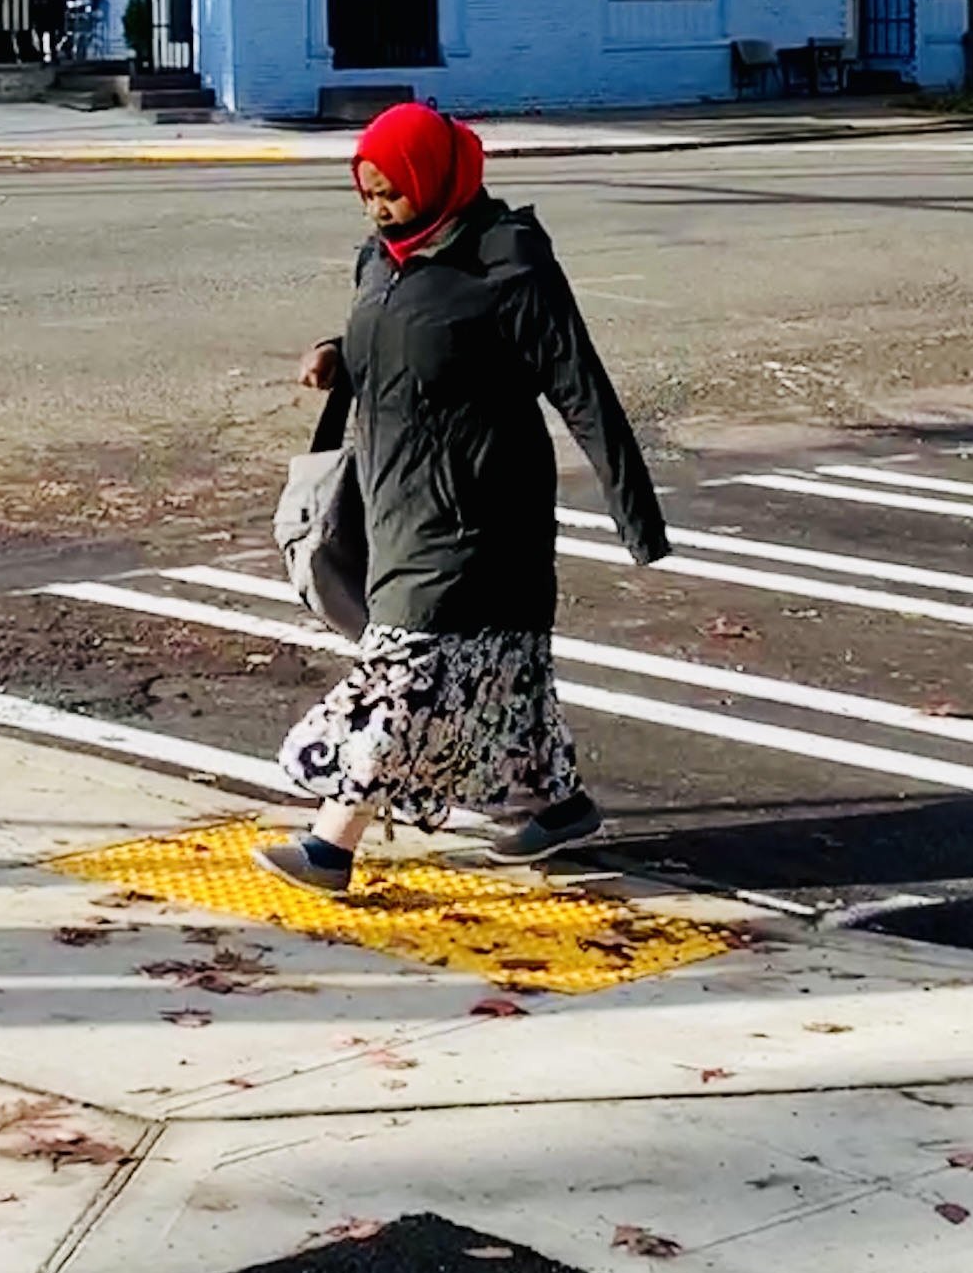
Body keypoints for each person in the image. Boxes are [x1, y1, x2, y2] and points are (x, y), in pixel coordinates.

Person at [257, 99, 671, 895]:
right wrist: (337, 356)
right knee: (507, 677)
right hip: (396, 500)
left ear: (435, 177)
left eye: (392, 193)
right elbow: (406, 334)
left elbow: (583, 390)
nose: (380, 210)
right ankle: (557, 805)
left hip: (481, 516)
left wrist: (637, 519)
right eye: (367, 195)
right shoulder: (382, 258)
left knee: (404, 672)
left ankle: (330, 845)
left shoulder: (508, 264)